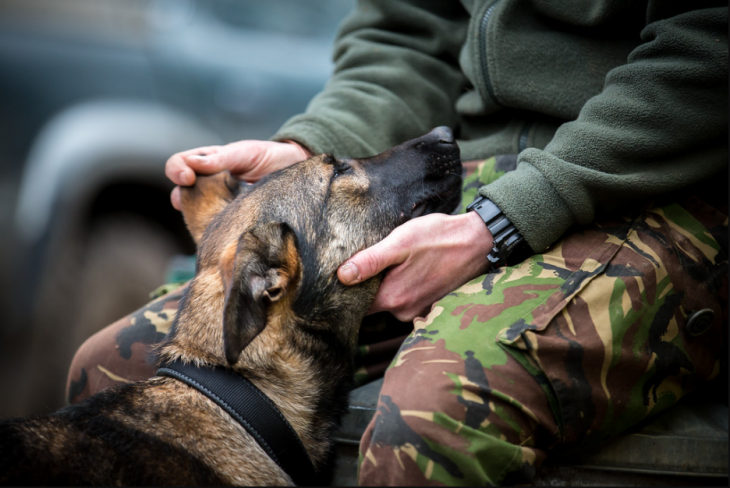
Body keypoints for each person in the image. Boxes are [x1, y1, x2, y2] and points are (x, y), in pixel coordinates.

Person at [67, 0, 728, 485]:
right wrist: (309, 149)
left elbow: (707, 52)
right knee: (109, 366)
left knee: (426, 422)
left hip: (666, 186)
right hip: (481, 177)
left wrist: (501, 223)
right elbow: (403, 36)